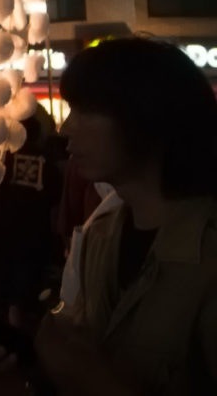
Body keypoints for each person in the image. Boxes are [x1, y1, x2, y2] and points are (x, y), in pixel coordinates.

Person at [36, 37, 217, 394]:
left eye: (85, 110)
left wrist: (99, 380)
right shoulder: (100, 237)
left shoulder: (208, 256)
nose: (65, 128)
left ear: (146, 116)